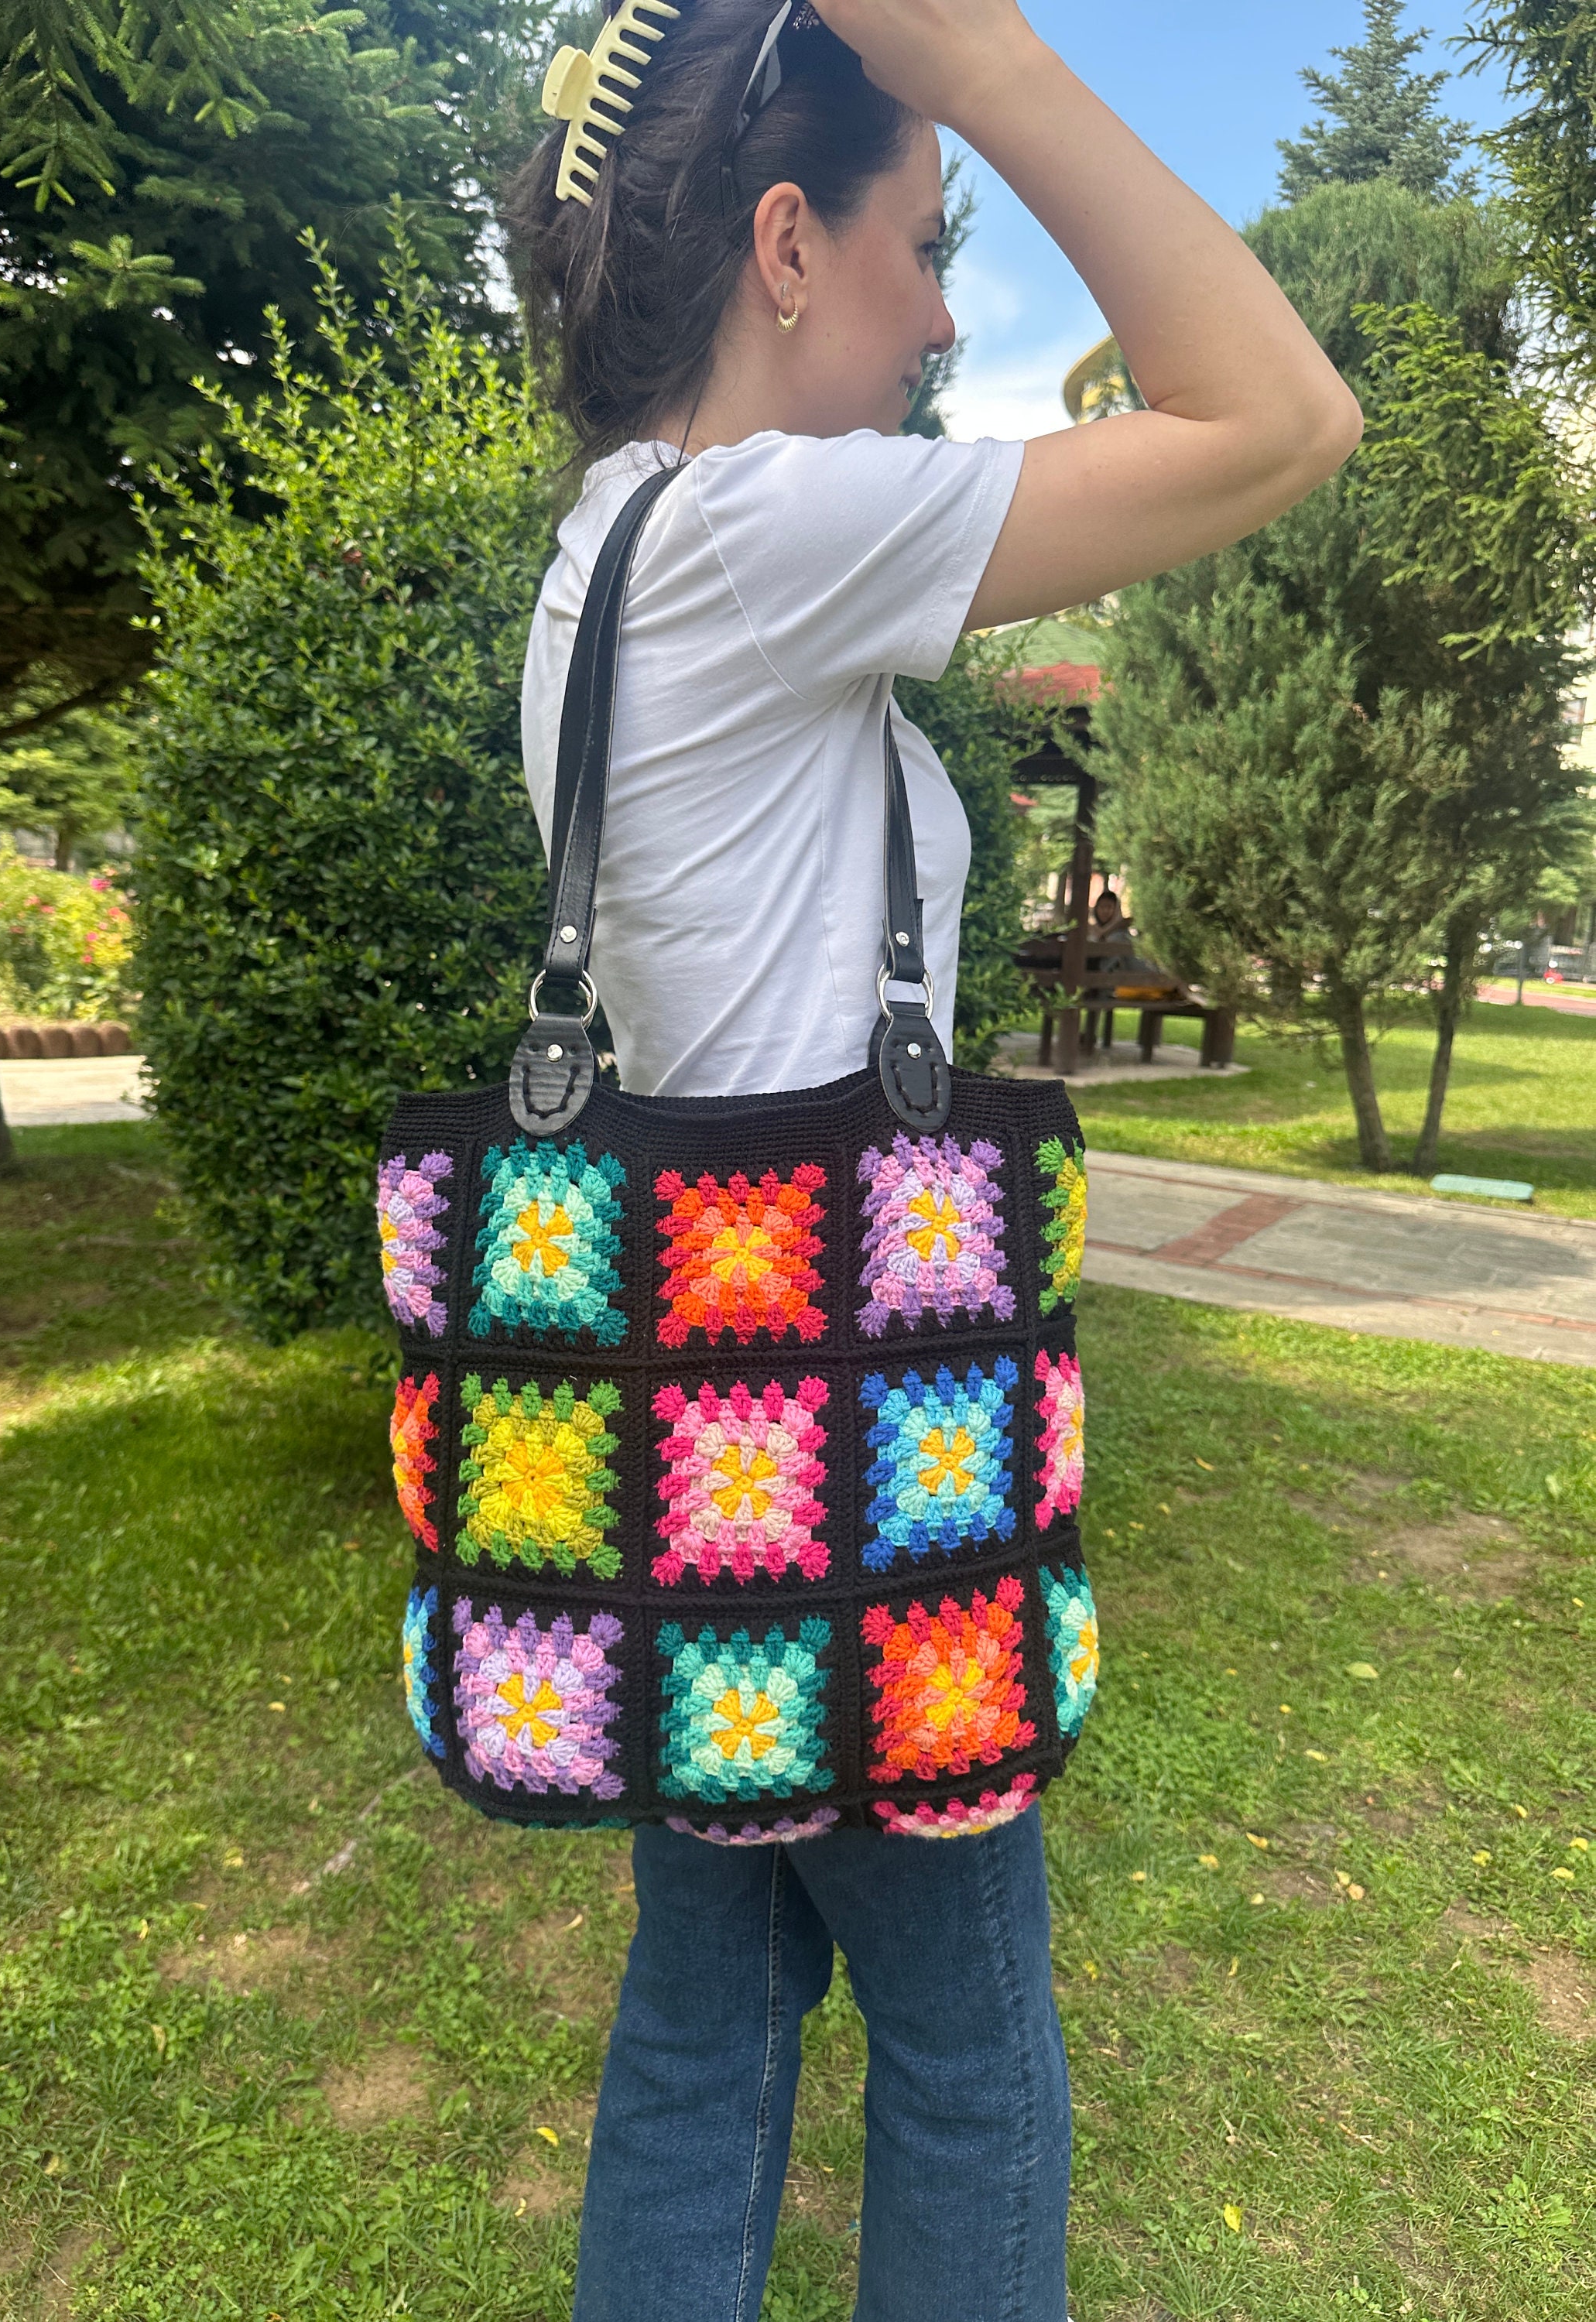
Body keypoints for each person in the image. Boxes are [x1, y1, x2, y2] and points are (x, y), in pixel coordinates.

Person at [505, 4, 1360, 2315]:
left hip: (689, 1460)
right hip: (857, 1459)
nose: (951, 317)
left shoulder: (610, 546)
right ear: (788, 245)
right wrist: (981, 62)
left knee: (702, 2035)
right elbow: (1282, 417)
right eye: (925, 241)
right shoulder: (766, 528)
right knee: (970, 2054)